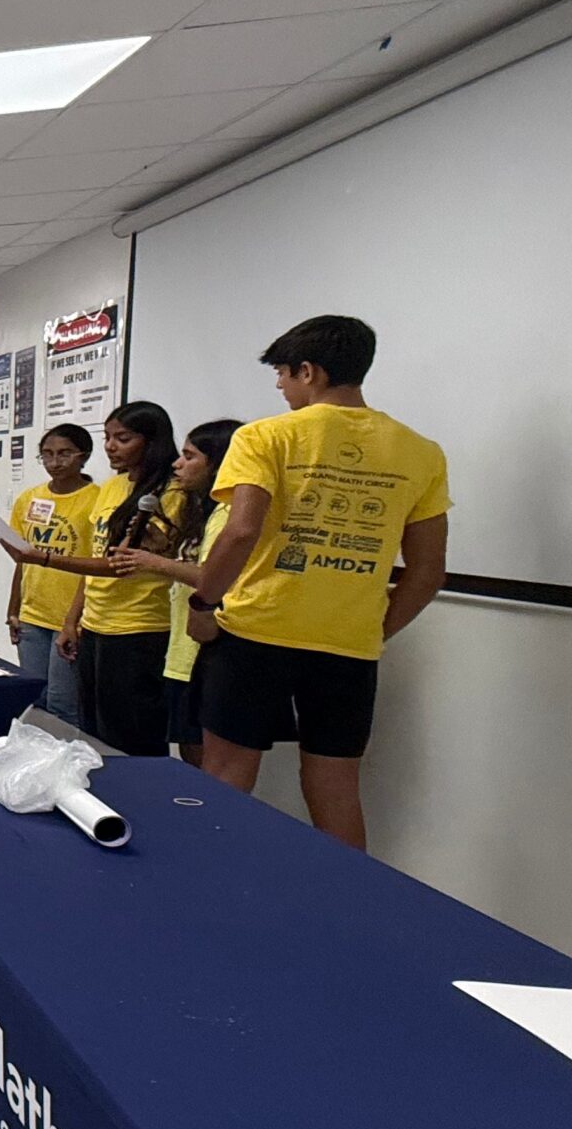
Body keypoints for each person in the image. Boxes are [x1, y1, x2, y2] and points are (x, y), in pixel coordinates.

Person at [186, 316, 449, 848]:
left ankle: (209, 883)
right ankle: (349, 895)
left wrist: (203, 603)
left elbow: (240, 532)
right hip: (349, 647)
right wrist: (373, 630)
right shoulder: (421, 451)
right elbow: (427, 572)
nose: (281, 387)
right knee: (336, 787)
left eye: (283, 375)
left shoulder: (265, 436)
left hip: (254, 633)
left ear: (309, 371)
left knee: (226, 776)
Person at [40, 402, 183, 757]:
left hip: (139, 628)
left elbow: (120, 564)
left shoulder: (173, 492)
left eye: (123, 438)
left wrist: (42, 558)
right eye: (107, 437)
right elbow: (96, 559)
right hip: (96, 625)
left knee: (132, 735)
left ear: (152, 441)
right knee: (94, 731)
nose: (110, 446)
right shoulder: (112, 487)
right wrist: (72, 621)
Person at [106, 419, 238, 765]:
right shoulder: (199, 512)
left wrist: (152, 561)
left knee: (208, 761)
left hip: (209, 651)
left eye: (190, 457)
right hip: (182, 650)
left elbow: (213, 577)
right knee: (189, 750)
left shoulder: (229, 515)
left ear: (218, 464)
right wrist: (154, 547)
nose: (178, 465)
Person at [1, 424, 100, 728]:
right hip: (33, 615)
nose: (55, 462)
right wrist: (14, 609)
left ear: (84, 456)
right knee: (34, 699)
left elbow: (95, 566)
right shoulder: (30, 499)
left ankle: (66, 756)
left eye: (64, 454)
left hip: (72, 617)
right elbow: (23, 560)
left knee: (63, 704)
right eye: (47, 454)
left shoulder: (97, 499)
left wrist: (73, 620)